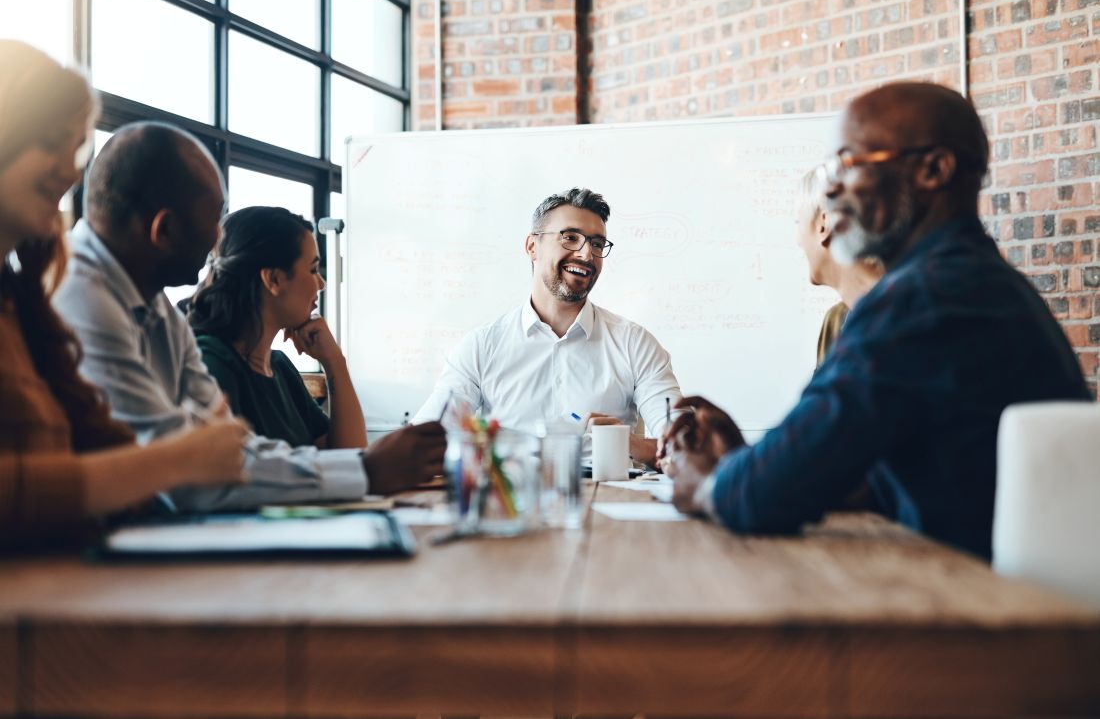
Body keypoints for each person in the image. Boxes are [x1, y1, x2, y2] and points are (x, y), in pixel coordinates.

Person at [663, 82, 1090, 560]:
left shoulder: (923, 299)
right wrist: (748, 463)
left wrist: (705, 484)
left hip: (985, 610)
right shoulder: (972, 281)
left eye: (850, 162)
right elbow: (857, 476)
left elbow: (765, 498)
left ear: (933, 169)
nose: (829, 187)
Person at [54, 121, 445, 510]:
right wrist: (366, 470)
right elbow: (178, 470)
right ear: (165, 229)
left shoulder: (158, 310)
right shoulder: (82, 300)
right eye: (213, 220)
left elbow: (229, 450)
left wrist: (363, 465)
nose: (218, 242)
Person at [0, 40, 247, 549]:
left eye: (75, 151)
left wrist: (176, 460)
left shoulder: (22, 300)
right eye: (51, 144)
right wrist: (177, 458)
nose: (70, 172)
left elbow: (100, 441)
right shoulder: (69, 294)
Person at [414, 188, 681, 465]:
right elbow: (421, 443)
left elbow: (686, 448)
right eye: (570, 238)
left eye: (598, 244)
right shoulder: (482, 346)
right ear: (532, 246)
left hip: (608, 498)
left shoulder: (634, 343)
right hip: (514, 498)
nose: (587, 254)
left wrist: (627, 443)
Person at [187, 206, 366, 450]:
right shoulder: (210, 362)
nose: (321, 284)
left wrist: (335, 362)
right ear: (273, 279)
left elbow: (350, 457)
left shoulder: (279, 367)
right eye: (313, 270)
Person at [793, 168, 885, 366]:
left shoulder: (907, 317)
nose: (798, 240)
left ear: (824, 225)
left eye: (798, 222)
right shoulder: (835, 322)